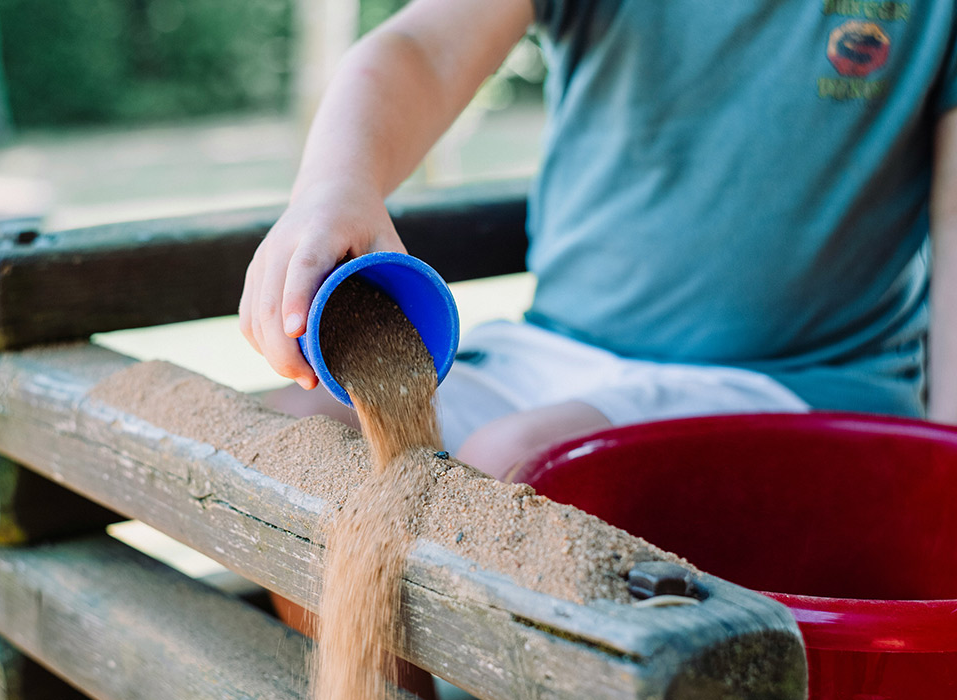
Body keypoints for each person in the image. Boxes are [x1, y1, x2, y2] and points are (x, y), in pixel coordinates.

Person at [239, 0, 957, 481]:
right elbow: (421, 48)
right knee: (299, 439)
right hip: (556, 351)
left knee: (524, 462)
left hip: (798, 379)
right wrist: (338, 184)